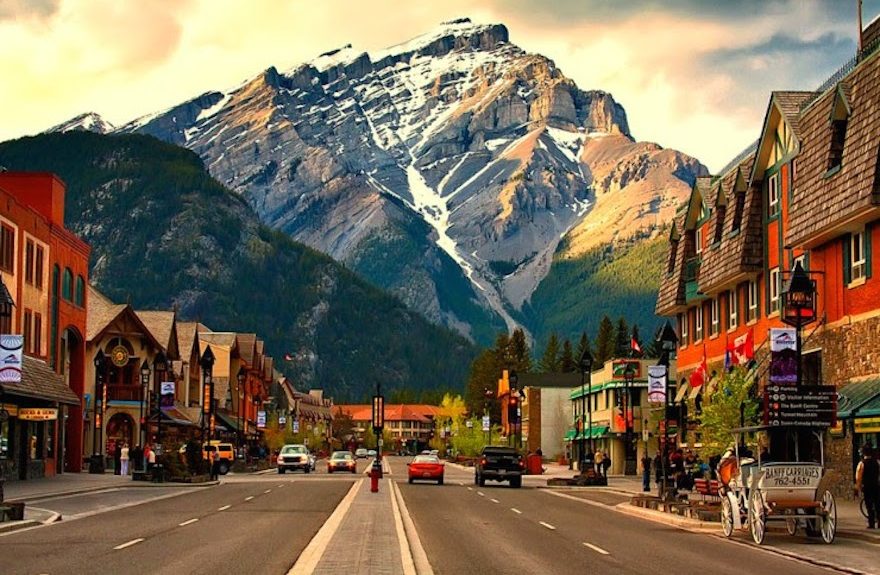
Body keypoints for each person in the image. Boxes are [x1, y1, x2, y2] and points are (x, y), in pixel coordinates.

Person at [855, 444, 879, 529]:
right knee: (877, 504)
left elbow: (858, 477)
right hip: (876, 485)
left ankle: (871, 523)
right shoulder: (877, 462)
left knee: (869, 505)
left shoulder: (861, 464)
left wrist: (858, 488)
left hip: (867, 487)